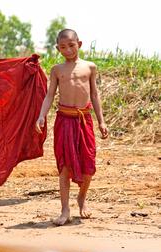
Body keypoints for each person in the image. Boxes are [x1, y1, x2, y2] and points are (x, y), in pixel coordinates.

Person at [35, 29, 109, 226]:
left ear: (80, 44)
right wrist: (41, 116)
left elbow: (94, 95)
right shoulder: (57, 70)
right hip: (64, 121)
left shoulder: (89, 67)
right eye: (62, 47)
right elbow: (50, 95)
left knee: (88, 165)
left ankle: (82, 198)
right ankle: (65, 210)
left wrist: (101, 121)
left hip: (84, 120)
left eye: (71, 45)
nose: (67, 50)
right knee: (65, 167)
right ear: (58, 48)